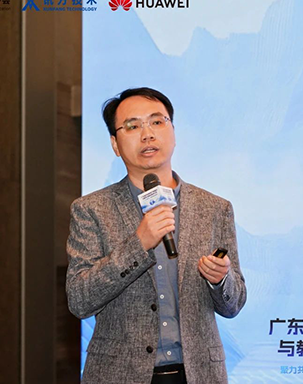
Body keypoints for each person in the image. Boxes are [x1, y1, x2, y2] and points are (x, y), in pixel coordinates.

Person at [66, 87, 247, 384]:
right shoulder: (91, 210)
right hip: (119, 376)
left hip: (199, 374)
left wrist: (219, 280)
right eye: (132, 126)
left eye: (157, 122)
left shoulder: (215, 208)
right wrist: (138, 245)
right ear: (115, 144)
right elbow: (79, 300)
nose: (147, 134)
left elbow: (234, 304)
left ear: (173, 133)